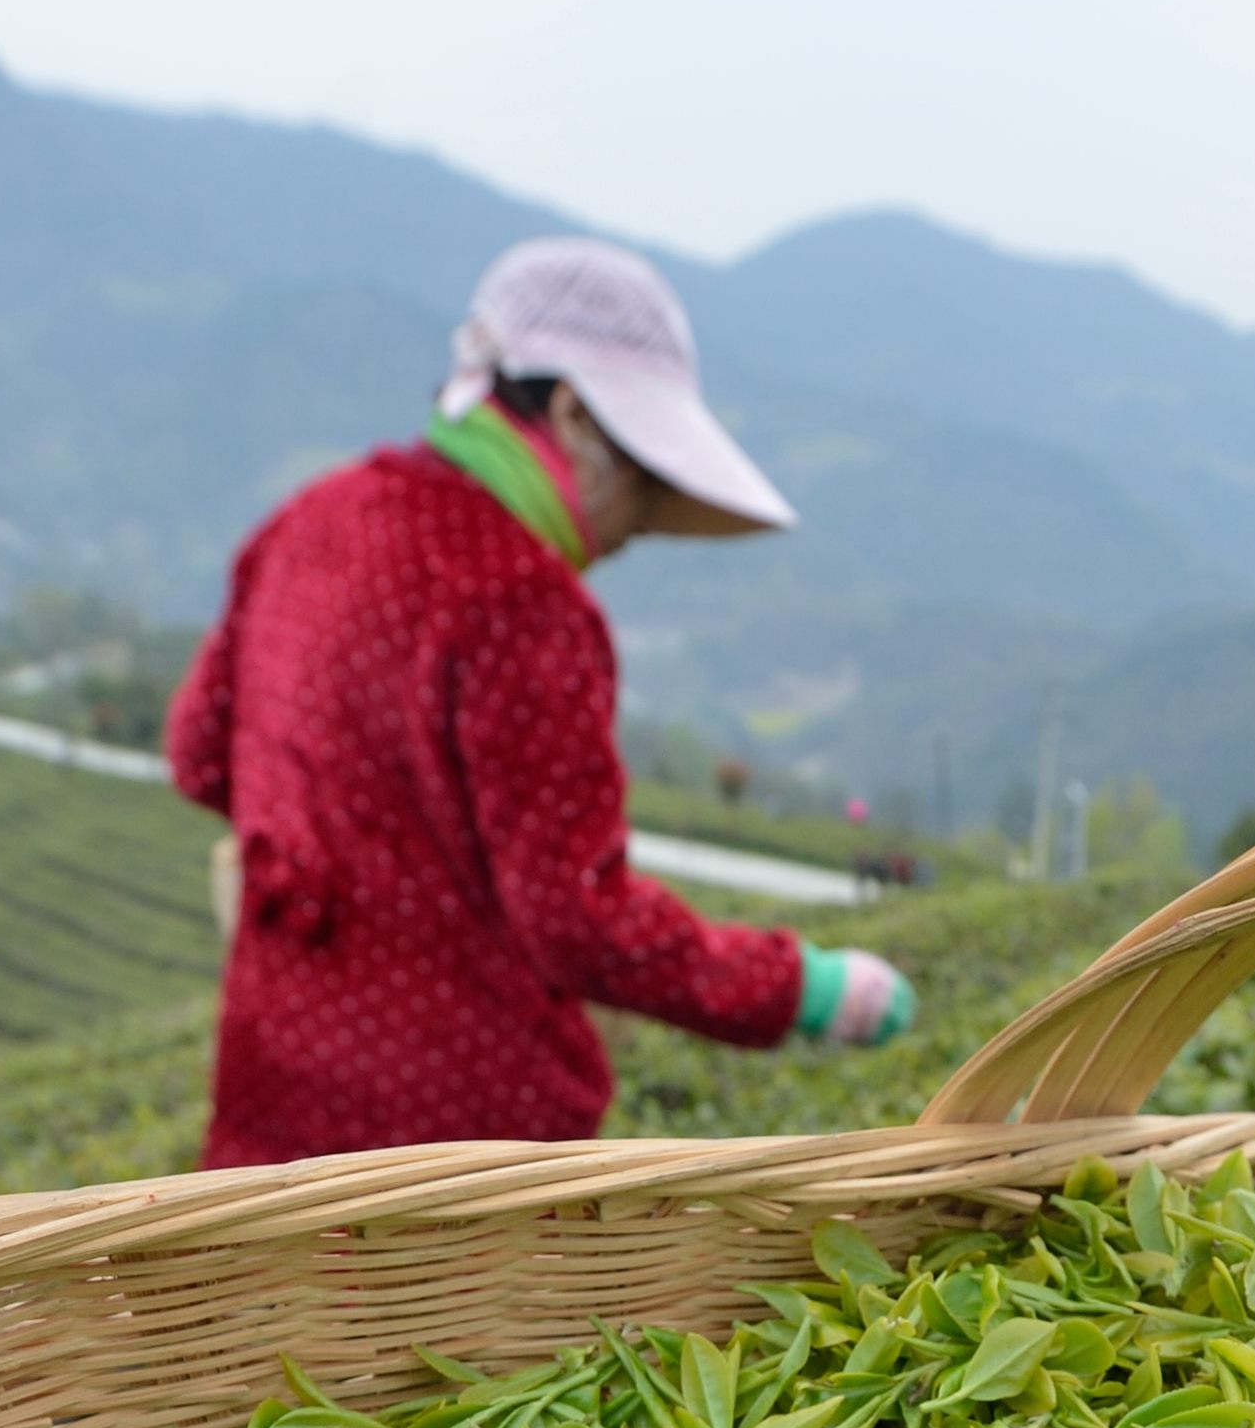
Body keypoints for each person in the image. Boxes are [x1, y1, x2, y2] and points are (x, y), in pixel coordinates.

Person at [166, 238, 914, 1168]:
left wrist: (330, 855)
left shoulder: (311, 518)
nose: (629, 535)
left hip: (271, 1102)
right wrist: (801, 986)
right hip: (459, 1156)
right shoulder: (525, 602)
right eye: (642, 488)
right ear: (573, 416)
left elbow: (201, 752)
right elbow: (577, 920)